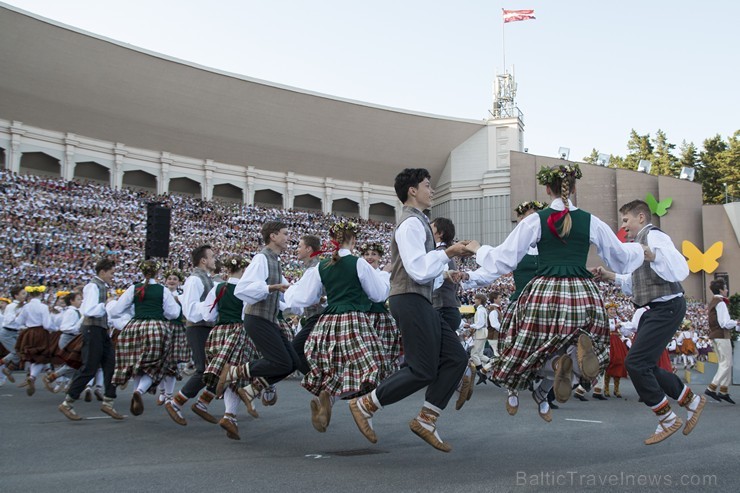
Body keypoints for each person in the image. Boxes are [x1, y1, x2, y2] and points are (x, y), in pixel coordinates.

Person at [464, 165, 644, 422]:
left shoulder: (535, 220)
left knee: (529, 343)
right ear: (574, 188)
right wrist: (642, 251)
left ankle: (540, 376)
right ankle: (567, 366)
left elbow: (503, 259)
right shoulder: (592, 221)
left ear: (547, 189)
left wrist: (479, 250)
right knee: (578, 338)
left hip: (545, 293)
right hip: (583, 294)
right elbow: (620, 258)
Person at [347, 168, 471, 452]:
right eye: (428, 185)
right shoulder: (410, 224)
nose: (432, 190)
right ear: (412, 190)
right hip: (409, 298)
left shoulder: (420, 223)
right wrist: (448, 253)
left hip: (419, 299)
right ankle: (366, 403)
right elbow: (417, 269)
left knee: (456, 356)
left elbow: (424, 270)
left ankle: (426, 419)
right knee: (421, 368)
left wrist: (447, 266)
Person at [595, 199, 705, 445]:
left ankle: (666, 417)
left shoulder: (654, 236)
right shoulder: (640, 244)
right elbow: (637, 283)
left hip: (666, 307)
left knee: (635, 363)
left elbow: (674, 263)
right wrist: (609, 275)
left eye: (626, 220)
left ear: (641, 217)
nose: (624, 226)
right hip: (657, 308)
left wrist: (651, 254)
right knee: (644, 364)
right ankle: (692, 401)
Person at [284, 220, 390, 433]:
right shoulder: (359, 263)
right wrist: (385, 277)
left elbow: (304, 298)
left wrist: (287, 292)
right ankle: (361, 412)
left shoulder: (322, 265)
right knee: (369, 368)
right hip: (354, 321)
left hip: (328, 322)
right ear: (353, 240)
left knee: (334, 366)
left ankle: (329, 398)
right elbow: (378, 294)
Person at [216, 222, 299, 408]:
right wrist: (270, 287)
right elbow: (242, 289)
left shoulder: (275, 260)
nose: (288, 238)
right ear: (273, 236)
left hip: (267, 319)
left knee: (292, 363)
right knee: (280, 361)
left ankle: (249, 390)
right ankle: (233, 373)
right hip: (257, 318)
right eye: (285, 234)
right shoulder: (262, 258)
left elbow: (288, 289)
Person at [108, 260, 180, 416]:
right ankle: (139, 391)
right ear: (158, 273)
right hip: (156, 328)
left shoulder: (133, 288)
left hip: (135, 328)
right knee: (155, 365)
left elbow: (116, 311)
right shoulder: (162, 290)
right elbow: (174, 313)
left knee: (138, 364)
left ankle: (136, 392)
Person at [58, 258, 123, 421]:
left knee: (111, 364)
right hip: (92, 329)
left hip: (100, 330)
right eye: (111, 273)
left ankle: (108, 402)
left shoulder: (100, 286)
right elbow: (89, 310)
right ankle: (67, 403)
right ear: (103, 272)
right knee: (89, 367)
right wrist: (106, 305)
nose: (112, 276)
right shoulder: (93, 286)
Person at [165, 245, 218, 426]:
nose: (214, 260)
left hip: (205, 327)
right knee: (204, 368)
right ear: (203, 260)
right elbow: (190, 309)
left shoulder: (205, 278)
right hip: (197, 327)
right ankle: (176, 402)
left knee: (215, 368)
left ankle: (202, 403)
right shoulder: (195, 280)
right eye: (211, 257)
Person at [201, 255, 251, 440]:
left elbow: (207, 315)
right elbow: (248, 314)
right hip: (239, 332)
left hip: (219, 332)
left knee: (227, 373)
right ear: (244, 270)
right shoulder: (245, 288)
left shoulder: (218, 288)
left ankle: (230, 416)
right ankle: (230, 415)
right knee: (237, 374)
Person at [430, 217, 475, 411]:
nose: (428, 231)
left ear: (440, 233)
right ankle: (461, 380)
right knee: (443, 350)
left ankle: (463, 375)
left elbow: (434, 279)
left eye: (432, 228)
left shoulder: (440, 254)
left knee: (440, 351)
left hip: (441, 307)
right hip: (449, 307)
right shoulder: (447, 255)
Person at [15, 285, 53, 396]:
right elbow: (47, 324)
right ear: (41, 295)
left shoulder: (26, 307)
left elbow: (18, 321)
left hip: (29, 332)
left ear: (30, 295)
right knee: (42, 356)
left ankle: (33, 376)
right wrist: (55, 328)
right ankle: (32, 377)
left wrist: (25, 325)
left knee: (33, 357)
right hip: (41, 333)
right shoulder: (43, 307)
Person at [704, 278, 738, 404]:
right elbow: (724, 323)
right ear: (721, 289)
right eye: (725, 288)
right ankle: (711, 387)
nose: (727, 290)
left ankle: (724, 391)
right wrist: (736, 322)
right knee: (726, 364)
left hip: (716, 336)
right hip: (722, 336)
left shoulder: (714, 301)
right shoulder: (721, 303)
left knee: (725, 363)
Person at [0, 286, 27, 383]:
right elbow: (8, 320)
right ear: (16, 296)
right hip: (7, 332)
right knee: (16, 352)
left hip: (16, 332)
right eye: (22, 293)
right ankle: (6, 368)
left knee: (21, 352)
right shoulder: (11, 306)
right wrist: (19, 315)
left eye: (25, 293)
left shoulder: (24, 305)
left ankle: (8, 369)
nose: (25, 295)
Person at [603, 302, 629, 398]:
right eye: (611, 309)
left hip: (617, 342)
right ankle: (606, 388)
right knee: (610, 363)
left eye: (614, 310)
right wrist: (615, 327)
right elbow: (605, 328)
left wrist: (624, 327)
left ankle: (616, 388)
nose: (613, 311)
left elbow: (624, 331)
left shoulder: (617, 319)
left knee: (620, 362)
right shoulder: (604, 319)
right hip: (608, 341)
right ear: (607, 311)